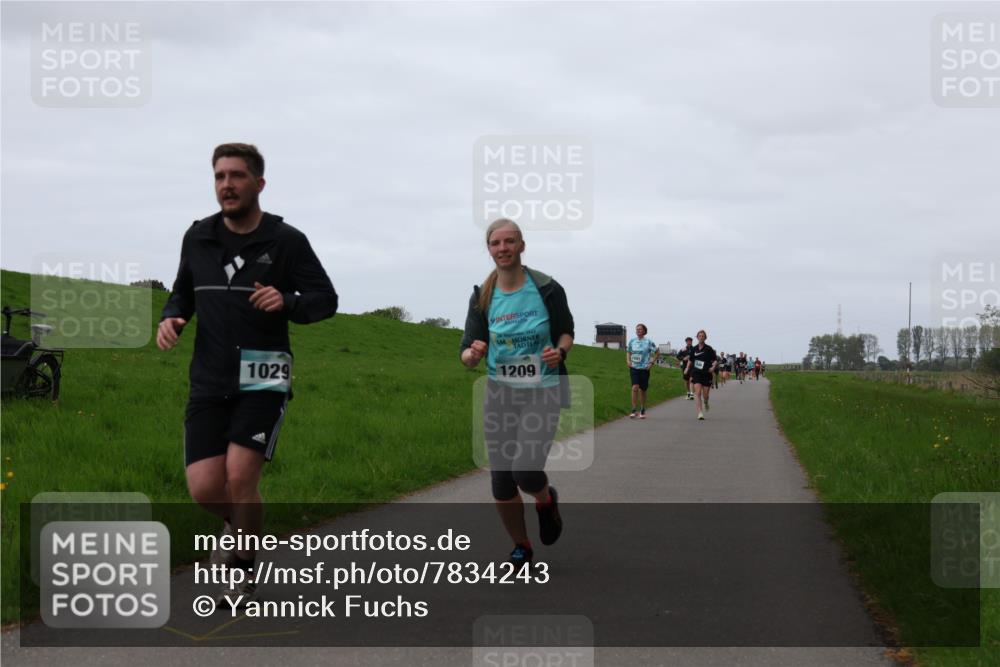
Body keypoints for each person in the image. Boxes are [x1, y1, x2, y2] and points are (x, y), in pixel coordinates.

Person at [158, 143, 338, 607]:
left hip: (264, 373)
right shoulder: (197, 237)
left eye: (236, 176)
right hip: (209, 377)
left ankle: (241, 571)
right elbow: (182, 293)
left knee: (240, 477)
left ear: (258, 183)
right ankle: (243, 527)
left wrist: (289, 301)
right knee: (202, 488)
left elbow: (326, 299)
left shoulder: (286, 241)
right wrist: (172, 317)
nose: (226, 185)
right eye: (219, 176)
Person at [460, 218, 574, 569]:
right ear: (489, 248)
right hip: (500, 391)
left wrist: (561, 351)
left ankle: (544, 502)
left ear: (522, 246)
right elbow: (465, 354)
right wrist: (473, 354)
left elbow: (566, 332)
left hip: (543, 389)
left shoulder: (546, 288)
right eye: (496, 243)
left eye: (510, 241)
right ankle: (521, 547)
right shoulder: (483, 294)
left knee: (525, 470)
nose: (503, 248)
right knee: (501, 480)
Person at [626, 323, 659, 419]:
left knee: (643, 390)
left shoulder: (649, 342)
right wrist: (628, 361)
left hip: (644, 368)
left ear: (644, 331)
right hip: (634, 367)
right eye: (637, 329)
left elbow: (657, 353)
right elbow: (628, 352)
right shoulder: (632, 341)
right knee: (634, 387)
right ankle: (633, 409)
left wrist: (651, 363)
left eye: (640, 329)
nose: (638, 331)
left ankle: (643, 409)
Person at [685, 330, 718, 420]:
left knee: (705, 395)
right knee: (698, 393)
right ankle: (700, 412)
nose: (701, 337)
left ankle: (706, 402)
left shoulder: (708, 349)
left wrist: (713, 367)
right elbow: (690, 360)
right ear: (697, 337)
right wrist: (687, 368)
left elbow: (715, 360)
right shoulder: (694, 349)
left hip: (706, 373)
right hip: (696, 373)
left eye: (703, 336)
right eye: (699, 336)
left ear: (705, 338)